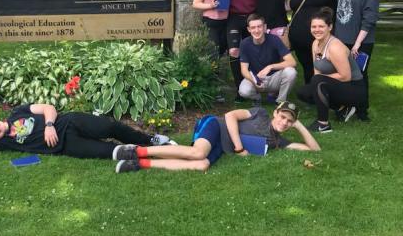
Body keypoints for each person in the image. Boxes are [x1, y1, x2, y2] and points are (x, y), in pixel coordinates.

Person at [0, 104, 176, 173]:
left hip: (67, 122)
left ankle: (150, 140)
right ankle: (138, 154)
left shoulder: (17, 113)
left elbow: (48, 107)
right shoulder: (3, 144)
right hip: (66, 146)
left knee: (109, 126)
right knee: (106, 152)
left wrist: (48, 126)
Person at [114, 101, 320, 173]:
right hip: (216, 125)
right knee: (198, 153)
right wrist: (239, 148)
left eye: (289, 121)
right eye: (282, 116)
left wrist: (299, 125)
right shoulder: (260, 113)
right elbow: (230, 116)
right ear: (275, 112)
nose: (283, 122)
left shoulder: (278, 142)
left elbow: (314, 150)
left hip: (223, 146)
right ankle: (135, 150)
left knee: (201, 165)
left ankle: (139, 164)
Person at [296, 8, 367, 133]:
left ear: (330, 27)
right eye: (314, 26)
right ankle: (342, 109)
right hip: (336, 85)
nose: (317, 30)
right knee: (303, 92)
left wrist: (319, 80)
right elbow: (317, 70)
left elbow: (346, 76)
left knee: (317, 81)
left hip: (354, 88)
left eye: (321, 26)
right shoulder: (315, 44)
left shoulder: (335, 47)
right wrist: (317, 81)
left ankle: (323, 124)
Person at [288, 0, 344, 83]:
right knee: (307, 68)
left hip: (323, 39)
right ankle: (311, 92)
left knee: (326, 68)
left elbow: (346, 8)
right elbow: (291, 9)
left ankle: (327, 93)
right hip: (299, 40)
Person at [334, 0, 379, 121]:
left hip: (360, 42)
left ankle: (362, 111)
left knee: (359, 76)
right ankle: (346, 106)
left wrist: (358, 43)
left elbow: (370, 18)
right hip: (342, 41)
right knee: (344, 75)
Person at [227, 0, 264, 98]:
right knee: (234, 52)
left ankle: (255, 85)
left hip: (252, 17)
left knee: (253, 52)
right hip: (234, 17)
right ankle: (239, 89)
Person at [238, 14, 297, 104]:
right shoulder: (244, 44)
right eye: (253, 27)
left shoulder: (274, 39)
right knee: (243, 91)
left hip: (274, 77)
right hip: (256, 77)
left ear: (265, 27)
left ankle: (280, 101)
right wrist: (254, 82)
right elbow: (244, 70)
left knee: (291, 72)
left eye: (259, 26)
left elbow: (292, 62)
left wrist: (271, 66)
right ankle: (257, 99)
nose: (257, 30)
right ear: (249, 29)